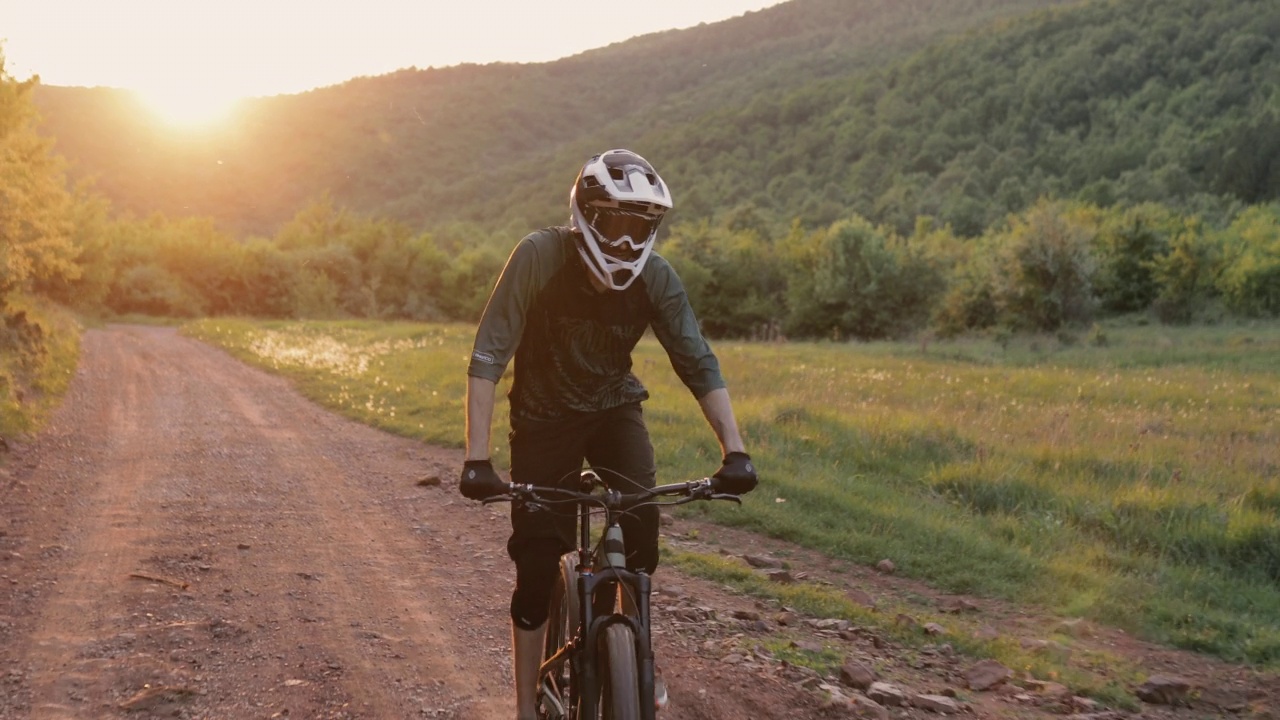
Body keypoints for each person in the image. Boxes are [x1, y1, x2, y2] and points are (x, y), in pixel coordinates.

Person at [458, 148, 757, 718]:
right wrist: (478, 459)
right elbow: (488, 355)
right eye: (614, 224)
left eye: (639, 227)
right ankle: (525, 707)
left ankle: (634, 648)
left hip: (615, 409)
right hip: (544, 418)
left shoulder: (656, 278)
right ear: (585, 217)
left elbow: (698, 362)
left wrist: (735, 451)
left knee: (642, 532)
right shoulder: (540, 257)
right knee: (538, 563)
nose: (624, 243)